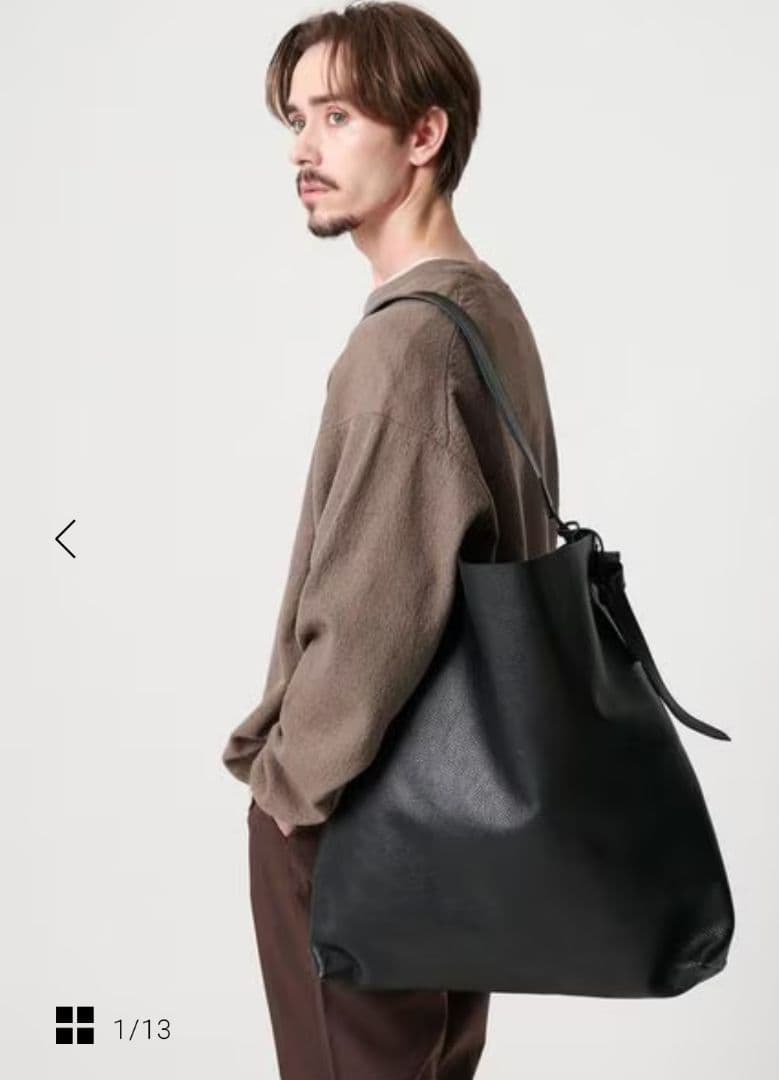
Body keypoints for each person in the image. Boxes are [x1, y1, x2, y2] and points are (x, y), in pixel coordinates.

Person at [221, 3, 561, 1076]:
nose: (302, 149)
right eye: (296, 118)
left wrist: (291, 791)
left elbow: (371, 617)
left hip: (364, 819)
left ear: (424, 133)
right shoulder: (486, 312)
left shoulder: (407, 345)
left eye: (337, 116)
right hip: (464, 807)